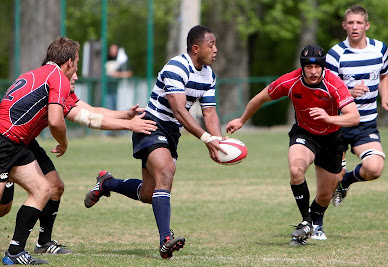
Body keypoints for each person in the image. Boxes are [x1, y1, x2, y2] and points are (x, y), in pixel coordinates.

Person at [84, 25, 225, 258]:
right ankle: (165, 240)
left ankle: (107, 183)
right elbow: (179, 110)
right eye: (212, 45)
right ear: (196, 47)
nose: (216, 50)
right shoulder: (176, 67)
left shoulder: (208, 74)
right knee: (166, 172)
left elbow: (209, 113)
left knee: (149, 193)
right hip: (150, 125)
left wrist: (218, 142)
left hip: (172, 133)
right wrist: (206, 138)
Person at [0, 72, 157, 255]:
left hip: (25, 143)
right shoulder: (55, 82)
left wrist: (125, 115)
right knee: (4, 208)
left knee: (54, 187)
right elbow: (87, 118)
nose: (76, 76)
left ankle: (43, 243)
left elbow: (91, 110)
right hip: (9, 141)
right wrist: (129, 125)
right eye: (74, 69)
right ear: (65, 64)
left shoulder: (56, 85)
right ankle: (17, 248)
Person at [226, 44, 360, 246]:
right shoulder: (290, 81)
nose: (313, 71)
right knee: (296, 169)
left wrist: (328, 118)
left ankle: (313, 221)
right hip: (304, 133)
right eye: (308, 67)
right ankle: (306, 221)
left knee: (324, 195)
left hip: (332, 139)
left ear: (323, 67)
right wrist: (242, 120)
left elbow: (354, 117)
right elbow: (260, 98)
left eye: (317, 67)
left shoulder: (334, 83)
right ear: (302, 67)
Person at [0, 36, 79, 265]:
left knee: (44, 189)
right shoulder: (59, 78)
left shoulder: (33, 74)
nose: (76, 69)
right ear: (69, 62)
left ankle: (15, 252)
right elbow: (56, 121)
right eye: (76, 63)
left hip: (17, 143)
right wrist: (63, 143)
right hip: (5, 140)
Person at [325, 5, 388, 208]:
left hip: (365, 123)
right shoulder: (336, 54)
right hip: (338, 124)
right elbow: (327, 92)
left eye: (359, 23)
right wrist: (349, 94)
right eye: (350, 23)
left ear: (367, 25)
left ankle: (347, 181)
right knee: (331, 179)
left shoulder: (380, 49)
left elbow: (384, 76)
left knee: (374, 169)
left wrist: (385, 99)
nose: (355, 27)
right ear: (344, 26)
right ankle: (316, 225)